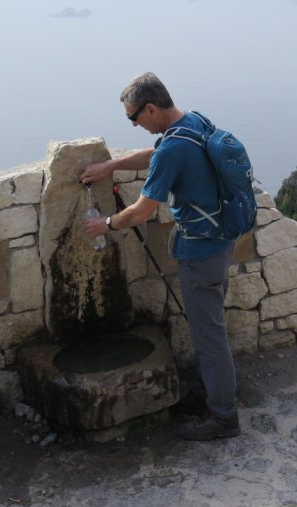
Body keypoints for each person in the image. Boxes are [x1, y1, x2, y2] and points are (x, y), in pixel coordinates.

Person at [80, 72, 240, 441]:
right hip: (219, 239)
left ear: (151, 108)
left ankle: (223, 416)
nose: (135, 124)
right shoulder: (193, 122)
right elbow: (160, 154)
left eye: (134, 118)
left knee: (209, 333)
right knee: (205, 328)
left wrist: (105, 223)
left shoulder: (173, 148)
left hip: (201, 250)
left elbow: (141, 211)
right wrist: (112, 165)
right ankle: (208, 395)